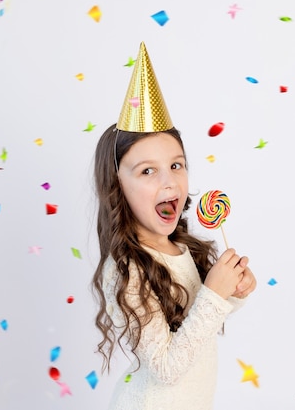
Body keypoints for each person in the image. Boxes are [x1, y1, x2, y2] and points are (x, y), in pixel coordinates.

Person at [91, 43, 257, 410]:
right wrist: (214, 295)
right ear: (118, 186)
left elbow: (198, 323)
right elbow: (166, 367)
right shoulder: (125, 269)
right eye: (147, 171)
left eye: (176, 165)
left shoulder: (182, 248)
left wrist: (233, 293)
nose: (169, 182)